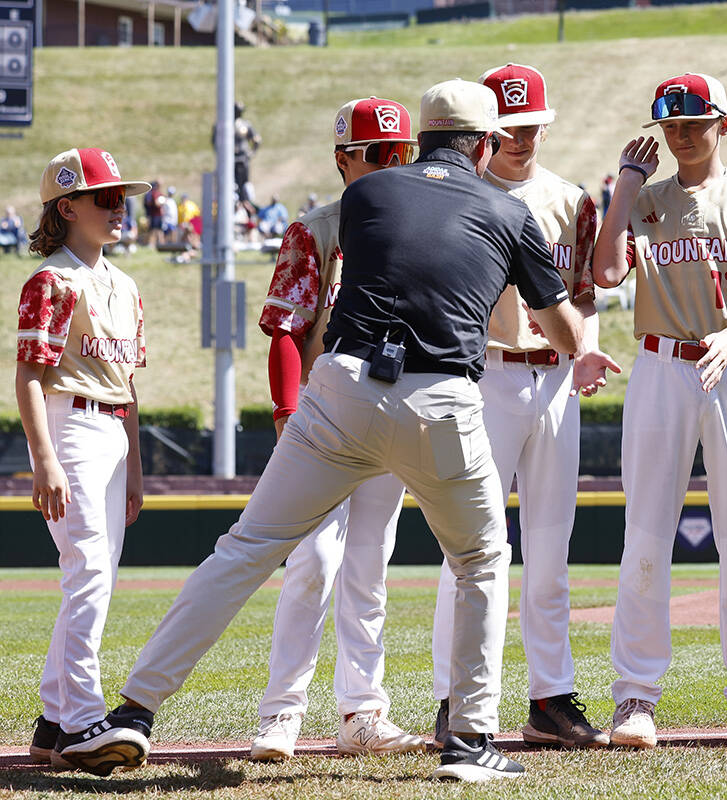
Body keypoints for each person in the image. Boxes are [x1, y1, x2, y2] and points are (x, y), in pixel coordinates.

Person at [58, 79, 584, 783]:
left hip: (341, 388)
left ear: (419, 140)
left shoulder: (364, 197)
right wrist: (575, 325)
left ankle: (134, 713)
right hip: (442, 400)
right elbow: (562, 332)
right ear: (486, 144)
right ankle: (468, 741)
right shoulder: (508, 208)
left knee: (243, 550)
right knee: (482, 562)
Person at [593, 73, 727, 749]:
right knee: (646, 532)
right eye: (671, 125)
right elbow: (603, 273)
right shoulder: (645, 199)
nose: (681, 134)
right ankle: (634, 696)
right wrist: (625, 185)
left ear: (724, 123)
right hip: (659, 364)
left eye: (695, 122)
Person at [429, 63, 618, 751]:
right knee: (470, 542)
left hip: (557, 378)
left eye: (532, 123)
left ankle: (550, 694)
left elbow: (585, 294)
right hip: (484, 374)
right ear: (485, 130)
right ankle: (454, 698)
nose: (522, 136)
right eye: (509, 126)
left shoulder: (570, 199)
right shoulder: (456, 195)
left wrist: (587, 349)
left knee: (550, 547)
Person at [249, 97, 419, 762]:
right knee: (313, 564)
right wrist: (289, 411)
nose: (389, 162)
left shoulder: (419, 223)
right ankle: (281, 713)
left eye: (400, 151)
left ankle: (362, 712)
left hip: (392, 414)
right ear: (343, 158)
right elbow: (286, 328)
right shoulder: (317, 227)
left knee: (369, 568)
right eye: (376, 152)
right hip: (322, 418)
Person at [16, 148, 150, 769]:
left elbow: (128, 384)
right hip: (70, 427)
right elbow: (29, 378)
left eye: (122, 197)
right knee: (88, 575)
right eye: (106, 197)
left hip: (113, 432)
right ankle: (80, 724)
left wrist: (138, 467)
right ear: (67, 207)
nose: (119, 207)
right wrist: (44, 458)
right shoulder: (52, 279)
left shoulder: (124, 284)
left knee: (93, 578)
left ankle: (52, 722)